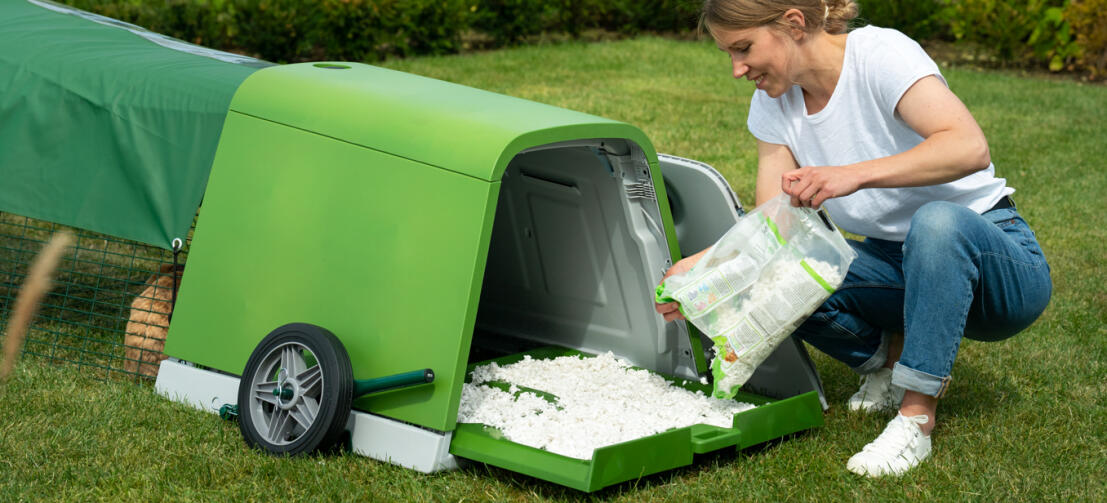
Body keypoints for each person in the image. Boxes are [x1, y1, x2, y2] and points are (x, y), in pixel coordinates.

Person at [655, 0, 1052, 477]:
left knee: (936, 222)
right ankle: (887, 360)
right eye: (729, 54)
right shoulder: (773, 102)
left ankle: (916, 418)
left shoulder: (881, 55)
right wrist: (704, 274)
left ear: (793, 24)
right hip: (895, 268)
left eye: (743, 48)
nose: (737, 70)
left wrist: (853, 176)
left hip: (994, 262)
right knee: (781, 274)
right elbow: (772, 227)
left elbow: (968, 146)